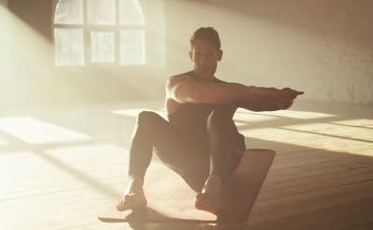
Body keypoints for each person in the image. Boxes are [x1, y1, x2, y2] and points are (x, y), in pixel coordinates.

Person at [117, 27, 304, 214]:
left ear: (219, 55)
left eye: (209, 55)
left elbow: (269, 104)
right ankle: (134, 188)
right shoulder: (176, 83)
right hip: (189, 161)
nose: (203, 61)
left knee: (218, 116)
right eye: (198, 55)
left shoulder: (229, 90)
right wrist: (253, 89)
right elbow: (196, 94)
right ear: (190, 55)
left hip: (223, 161)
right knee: (146, 118)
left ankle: (213, 184)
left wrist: (284, 100)